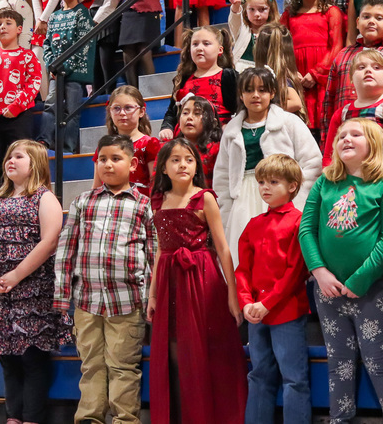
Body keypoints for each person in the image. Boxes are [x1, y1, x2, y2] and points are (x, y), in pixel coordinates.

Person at [54, 135, 155, 424]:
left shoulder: (143, 205)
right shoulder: (82, 202)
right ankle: (90, 418)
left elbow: (153, 254)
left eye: (116, 159)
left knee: (123, 367)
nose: (108, 165)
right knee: (91, 365)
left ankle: (124, 419)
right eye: (102, 159)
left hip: (127, 302)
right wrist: (62, 295)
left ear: (133, 163)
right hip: (86, 302)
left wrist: (151, 296)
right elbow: (66, 250)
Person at [146, 138, 247, 424]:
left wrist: (232, 292)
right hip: (169, 279)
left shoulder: (205, 198)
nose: (183, 165)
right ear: (163, 167)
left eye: (189, 159)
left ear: (196, 166)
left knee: (207, 349)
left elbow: (223, 248)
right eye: (175, 159)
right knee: (175, 352)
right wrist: (153, 295)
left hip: (202, 278)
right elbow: (159, 250)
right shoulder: (157, 200)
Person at [299, 118, 383, 422]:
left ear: (373, 143)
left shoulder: (380, 182)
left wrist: (361, 278)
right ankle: (339, 419)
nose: (345, 139)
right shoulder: (325, 181)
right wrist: (319, 271)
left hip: (372, 291)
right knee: (339, 363)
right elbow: (306, 229)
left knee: (378, 362)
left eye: (355, 134)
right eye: (341, 135)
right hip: (328, 292)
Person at [0, 140, 69, 424]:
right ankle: (12, 417)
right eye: (9, 156)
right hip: (1, 290)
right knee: (8, 356)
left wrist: (17, 275)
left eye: (19, 156)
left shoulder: (44, 198)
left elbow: (49, 241)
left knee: (32, 356)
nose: (11, 160)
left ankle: (31, 417)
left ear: (37, 164)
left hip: (33, 289)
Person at [213, 67, 322, 260]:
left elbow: (312, 163)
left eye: (262, 90)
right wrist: (226, 212)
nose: (256, 95)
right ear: (241, 94)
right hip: (242, 202)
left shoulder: (289, 122)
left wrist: (296, 201)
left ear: (272, 93)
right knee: (244, 256)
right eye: (249, 90)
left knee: (278, 256)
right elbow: (222, 175)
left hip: (282, 198)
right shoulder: (231, 130)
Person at [235, 154, 311, 424]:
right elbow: (242, 270)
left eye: (273, 181)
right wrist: (246, 302)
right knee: (258, 375)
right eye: (261, 182)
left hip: (287, 312)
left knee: (293, 378)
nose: (265, 187)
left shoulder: (300, 222)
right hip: (256, 314)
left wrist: (267, 303)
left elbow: (295, 271)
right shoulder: (253, 225)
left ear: (292, 186)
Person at [0, 8, 44, 184]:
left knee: (21, 158)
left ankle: (23, 196)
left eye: (8, 23)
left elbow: (33, 83)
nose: (3, 27)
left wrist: (15, 107)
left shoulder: (28, 56)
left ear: (19, 28)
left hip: (19, 117)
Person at [282, 0, 347, 127]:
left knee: (323, 120)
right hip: (297, 77)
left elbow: (337, 47)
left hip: (323, 78)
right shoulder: (289, 15)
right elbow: (279, 46)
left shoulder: (331, 12)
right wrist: (290, 71)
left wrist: (316, 73)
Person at [40, 0, 96, 153]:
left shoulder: (82, 13)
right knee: (51, 104)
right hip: (57, 71)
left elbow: (84, 44)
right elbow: (47, 43)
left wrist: (66, 66)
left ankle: (68, 145)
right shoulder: (54, 16)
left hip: (74, 72)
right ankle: (46, 140)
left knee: (72, 110)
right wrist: (51, 64)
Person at [159, 26, 238, 138]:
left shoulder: (228, 75)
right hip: (186, 137)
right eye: (195, 44)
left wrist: (231, 126)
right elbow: (172, 111)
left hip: (217, 134)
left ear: (220, 50)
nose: (199, 48)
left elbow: (240, 108)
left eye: (206, 44)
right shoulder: (184, 78)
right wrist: (167, 128)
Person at [321, 0, 383, 130]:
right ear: (357, 22)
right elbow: (329, 98)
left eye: (379, 18)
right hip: (345, 130)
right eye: (366, 17)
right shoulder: (343, 55)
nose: (371, 21)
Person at [91, 86, 161, 195]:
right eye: (116, 108)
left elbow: (155, 183)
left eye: (128, 108)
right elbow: (97, 185)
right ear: (110, 111)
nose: (122, 113)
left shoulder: (149, 144)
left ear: (141, 111)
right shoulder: (104, 146)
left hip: (140, 204)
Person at [322, 49, 383, 164]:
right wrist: (328, 175)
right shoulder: (342, 113)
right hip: (349, 176)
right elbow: (330, 154)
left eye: (376, 67)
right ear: (351, 79)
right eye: (361, 67)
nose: (368, 70)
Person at [228, 0, 279, 71]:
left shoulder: (275, 31)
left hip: (266, 74)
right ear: (245, 10)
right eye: (251, 9)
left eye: (262, 9)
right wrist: (236, 6)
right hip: (242, 73)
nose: (257, 15)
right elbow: (234, 20)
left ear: (270, 9)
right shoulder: (242, 29)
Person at [176, 95, 222, 181]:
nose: (189, 117)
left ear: (212, 122)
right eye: (185, 113)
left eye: (197, 113)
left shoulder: (218, 150)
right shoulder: (169, 149)